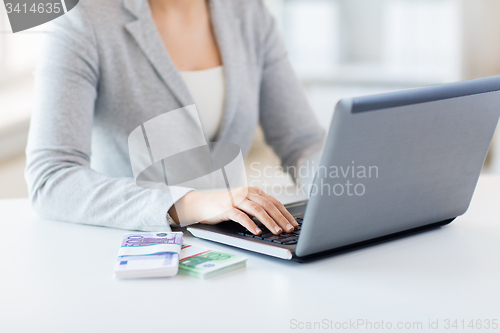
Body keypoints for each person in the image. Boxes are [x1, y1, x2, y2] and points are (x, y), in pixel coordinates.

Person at [25, 0, 324, 236]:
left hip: (238, 247)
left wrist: (342, 191)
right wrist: (189, 204)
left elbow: (303, 141)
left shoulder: (248, 11)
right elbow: (51, 177)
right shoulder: (82, 19)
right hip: (134, 254)